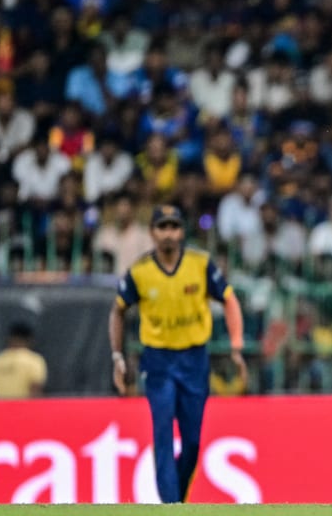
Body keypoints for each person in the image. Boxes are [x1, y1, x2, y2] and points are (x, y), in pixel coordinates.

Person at [108, 205, 247, 503]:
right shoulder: (140, 271)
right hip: (158, 361)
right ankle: (170, 506)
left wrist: (236, 345)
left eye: (174, 227)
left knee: (193, 442)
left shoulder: (200, 264)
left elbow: (229, 299)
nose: (168, 233)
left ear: (182, 231)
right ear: (152, 232)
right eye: (162, 227)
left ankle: (177, 501)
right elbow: (118, 310)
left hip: (194, 360)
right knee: (162, 433)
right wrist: (117, 357)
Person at [0, 322, 47, 399]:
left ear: (9, 338)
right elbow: (35, 390)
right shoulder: (34, 360)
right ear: (29, 340)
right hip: (23, 406)